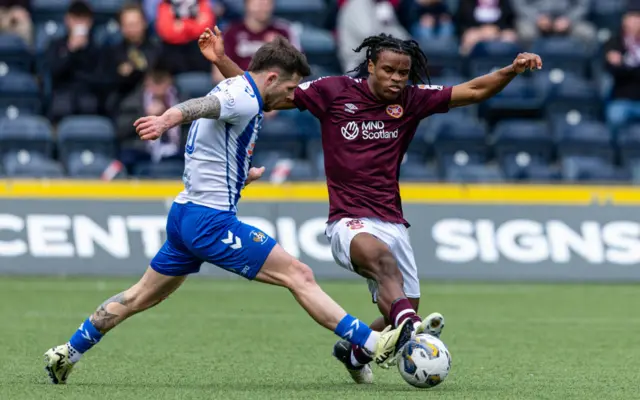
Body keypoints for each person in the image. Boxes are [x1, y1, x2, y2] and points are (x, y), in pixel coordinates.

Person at [43, 36, 418, 385]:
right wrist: (165, 119)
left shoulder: (240, 89)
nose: (292, 97)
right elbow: (198, 107)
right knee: (298, 274)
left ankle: (68, 352)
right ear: (272, 77)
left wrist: (241, 177)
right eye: (289, 88)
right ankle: (371, 342)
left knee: (141, 295)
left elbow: (216, 139)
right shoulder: (244, 95)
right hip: (210, 221)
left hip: (186, 213)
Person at [200, 27, 542, 384]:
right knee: (384, 267)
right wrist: (221, 60)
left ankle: (353, 351)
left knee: (403, 300)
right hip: (347, 221)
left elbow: (472, 91)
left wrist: (511, 70)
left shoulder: (411, 100)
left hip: (392, 220)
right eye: (389, 70)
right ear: (371, 65)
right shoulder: (332, 92)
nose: (396, 79)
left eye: (403, 73)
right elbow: (262, 95)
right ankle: (412, 330)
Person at [603, 1, 640, 133]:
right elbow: (612, 70)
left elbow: (621, 68)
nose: (635, 22)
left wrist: (624, 65)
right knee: (615, 117)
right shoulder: (615, 42)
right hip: (622, 98)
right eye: (631, 17)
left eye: (638, 18)